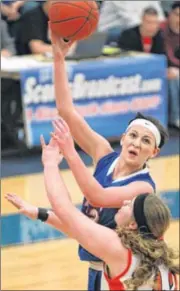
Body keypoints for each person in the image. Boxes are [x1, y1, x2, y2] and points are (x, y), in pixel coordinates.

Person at [50, 29, 169, 291]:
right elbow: (66, 111)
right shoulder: (103, 153)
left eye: (146, 141)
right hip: (95, 267)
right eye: (133, 135)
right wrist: (58, 59)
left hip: (122, 273)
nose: (137, 143)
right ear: (124, 137)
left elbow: (98, 196)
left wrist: (69, 153)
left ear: (154, 153)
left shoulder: (143, 188)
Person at [5, 135, 179, 290]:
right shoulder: (157, 246)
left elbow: (64, 208)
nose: (124, 202)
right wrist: (40, 213)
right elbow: (81, 231)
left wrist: (50, 164)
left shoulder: (119, 250)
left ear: (133, 224)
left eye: (129, 205)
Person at [161, 1, 180, 129]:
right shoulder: (162, 30)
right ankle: (176, 118)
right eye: (177, 15)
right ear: (170, 15)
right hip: (167, 68)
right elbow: (169, 56)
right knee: (174, 75)